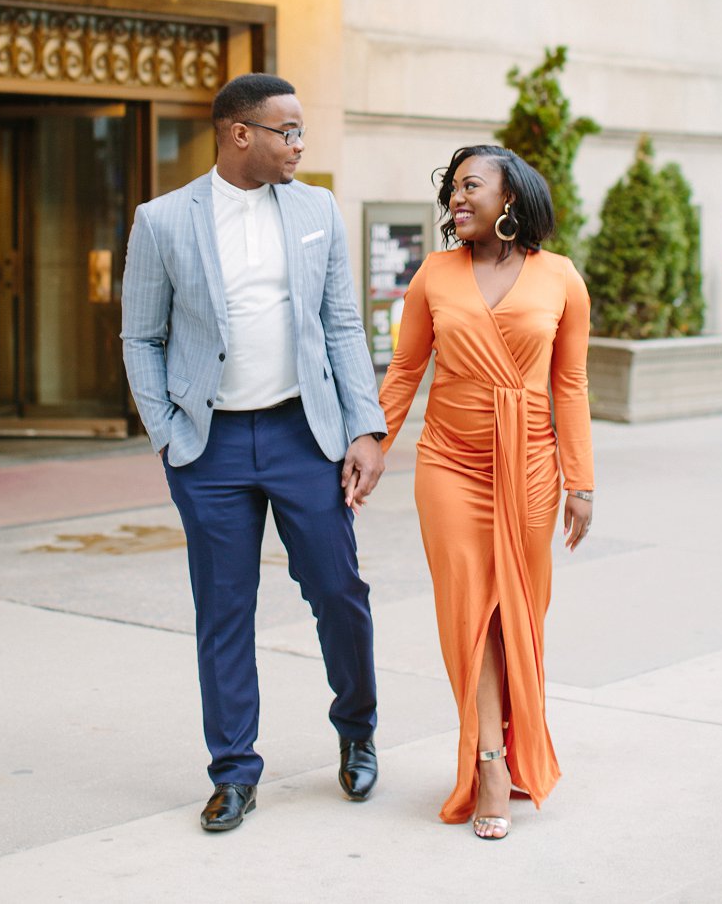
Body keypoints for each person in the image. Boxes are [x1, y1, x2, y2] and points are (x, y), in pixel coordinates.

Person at [121, 73, 387, 833]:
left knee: (339, 591)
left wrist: (364, 428)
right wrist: (168, 437)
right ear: (241, 133)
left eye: (301, 131)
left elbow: (344, 324)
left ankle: (357, 727)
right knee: (225, 612)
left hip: (306, 435)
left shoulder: (317, 209)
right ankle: (234, 772)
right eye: (288, 132)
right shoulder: (162, 221)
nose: (300, 144)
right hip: (210, 449)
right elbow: (141, 336)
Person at [377, 145, 594, 840]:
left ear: (512, 198)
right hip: (449, 463)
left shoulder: (561, 279)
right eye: (451, 189)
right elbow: (406, 370)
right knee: (471, 611)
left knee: (517, 617)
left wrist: (580, 480)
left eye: (471, 186)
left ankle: (511, 747)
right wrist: (371, 448)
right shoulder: (434, 276)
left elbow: (571, 384)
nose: (456, 199)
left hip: (530, 464)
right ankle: (490, 764)